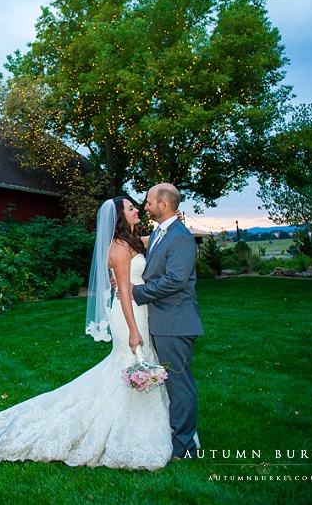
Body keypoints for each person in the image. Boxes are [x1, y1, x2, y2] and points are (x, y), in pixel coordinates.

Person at [0, 197, 172, 470]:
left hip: (138, 309)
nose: (138, 210)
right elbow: (123, 291)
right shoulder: (121, 248)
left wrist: (171, 224)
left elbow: (153, 241)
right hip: (129, 313)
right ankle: (122, 428)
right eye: (131, 208)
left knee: (133, 363)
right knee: (129, 361)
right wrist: (134, 330)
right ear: (121, 218)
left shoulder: (131, 241)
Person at [130, 183, 203, 460]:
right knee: (172, 381)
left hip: (176, 323)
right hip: (162, 320)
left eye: (149, 202)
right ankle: (177, 435)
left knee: (178, 383)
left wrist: (135, 291)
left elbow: (174, 281)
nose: (145, 207)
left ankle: (185, 446)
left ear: (164, 204)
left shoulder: (181, 238)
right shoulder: (162, 233)